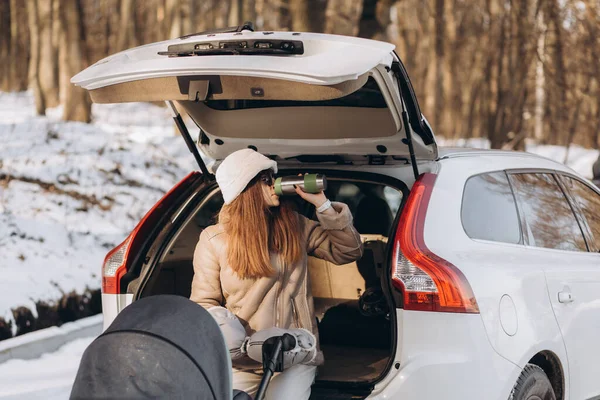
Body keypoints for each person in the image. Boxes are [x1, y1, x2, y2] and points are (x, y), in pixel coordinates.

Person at [190, 149, 363, 400]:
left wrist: (322, 205)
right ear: (245, 188)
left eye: (274, 178)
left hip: (294, 353)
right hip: (243, 358)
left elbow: (348, 251)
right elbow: (204, 304)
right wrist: (232, 340)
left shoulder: (295, 225)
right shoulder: (214, 239)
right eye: (266, 180)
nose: (275, 185)